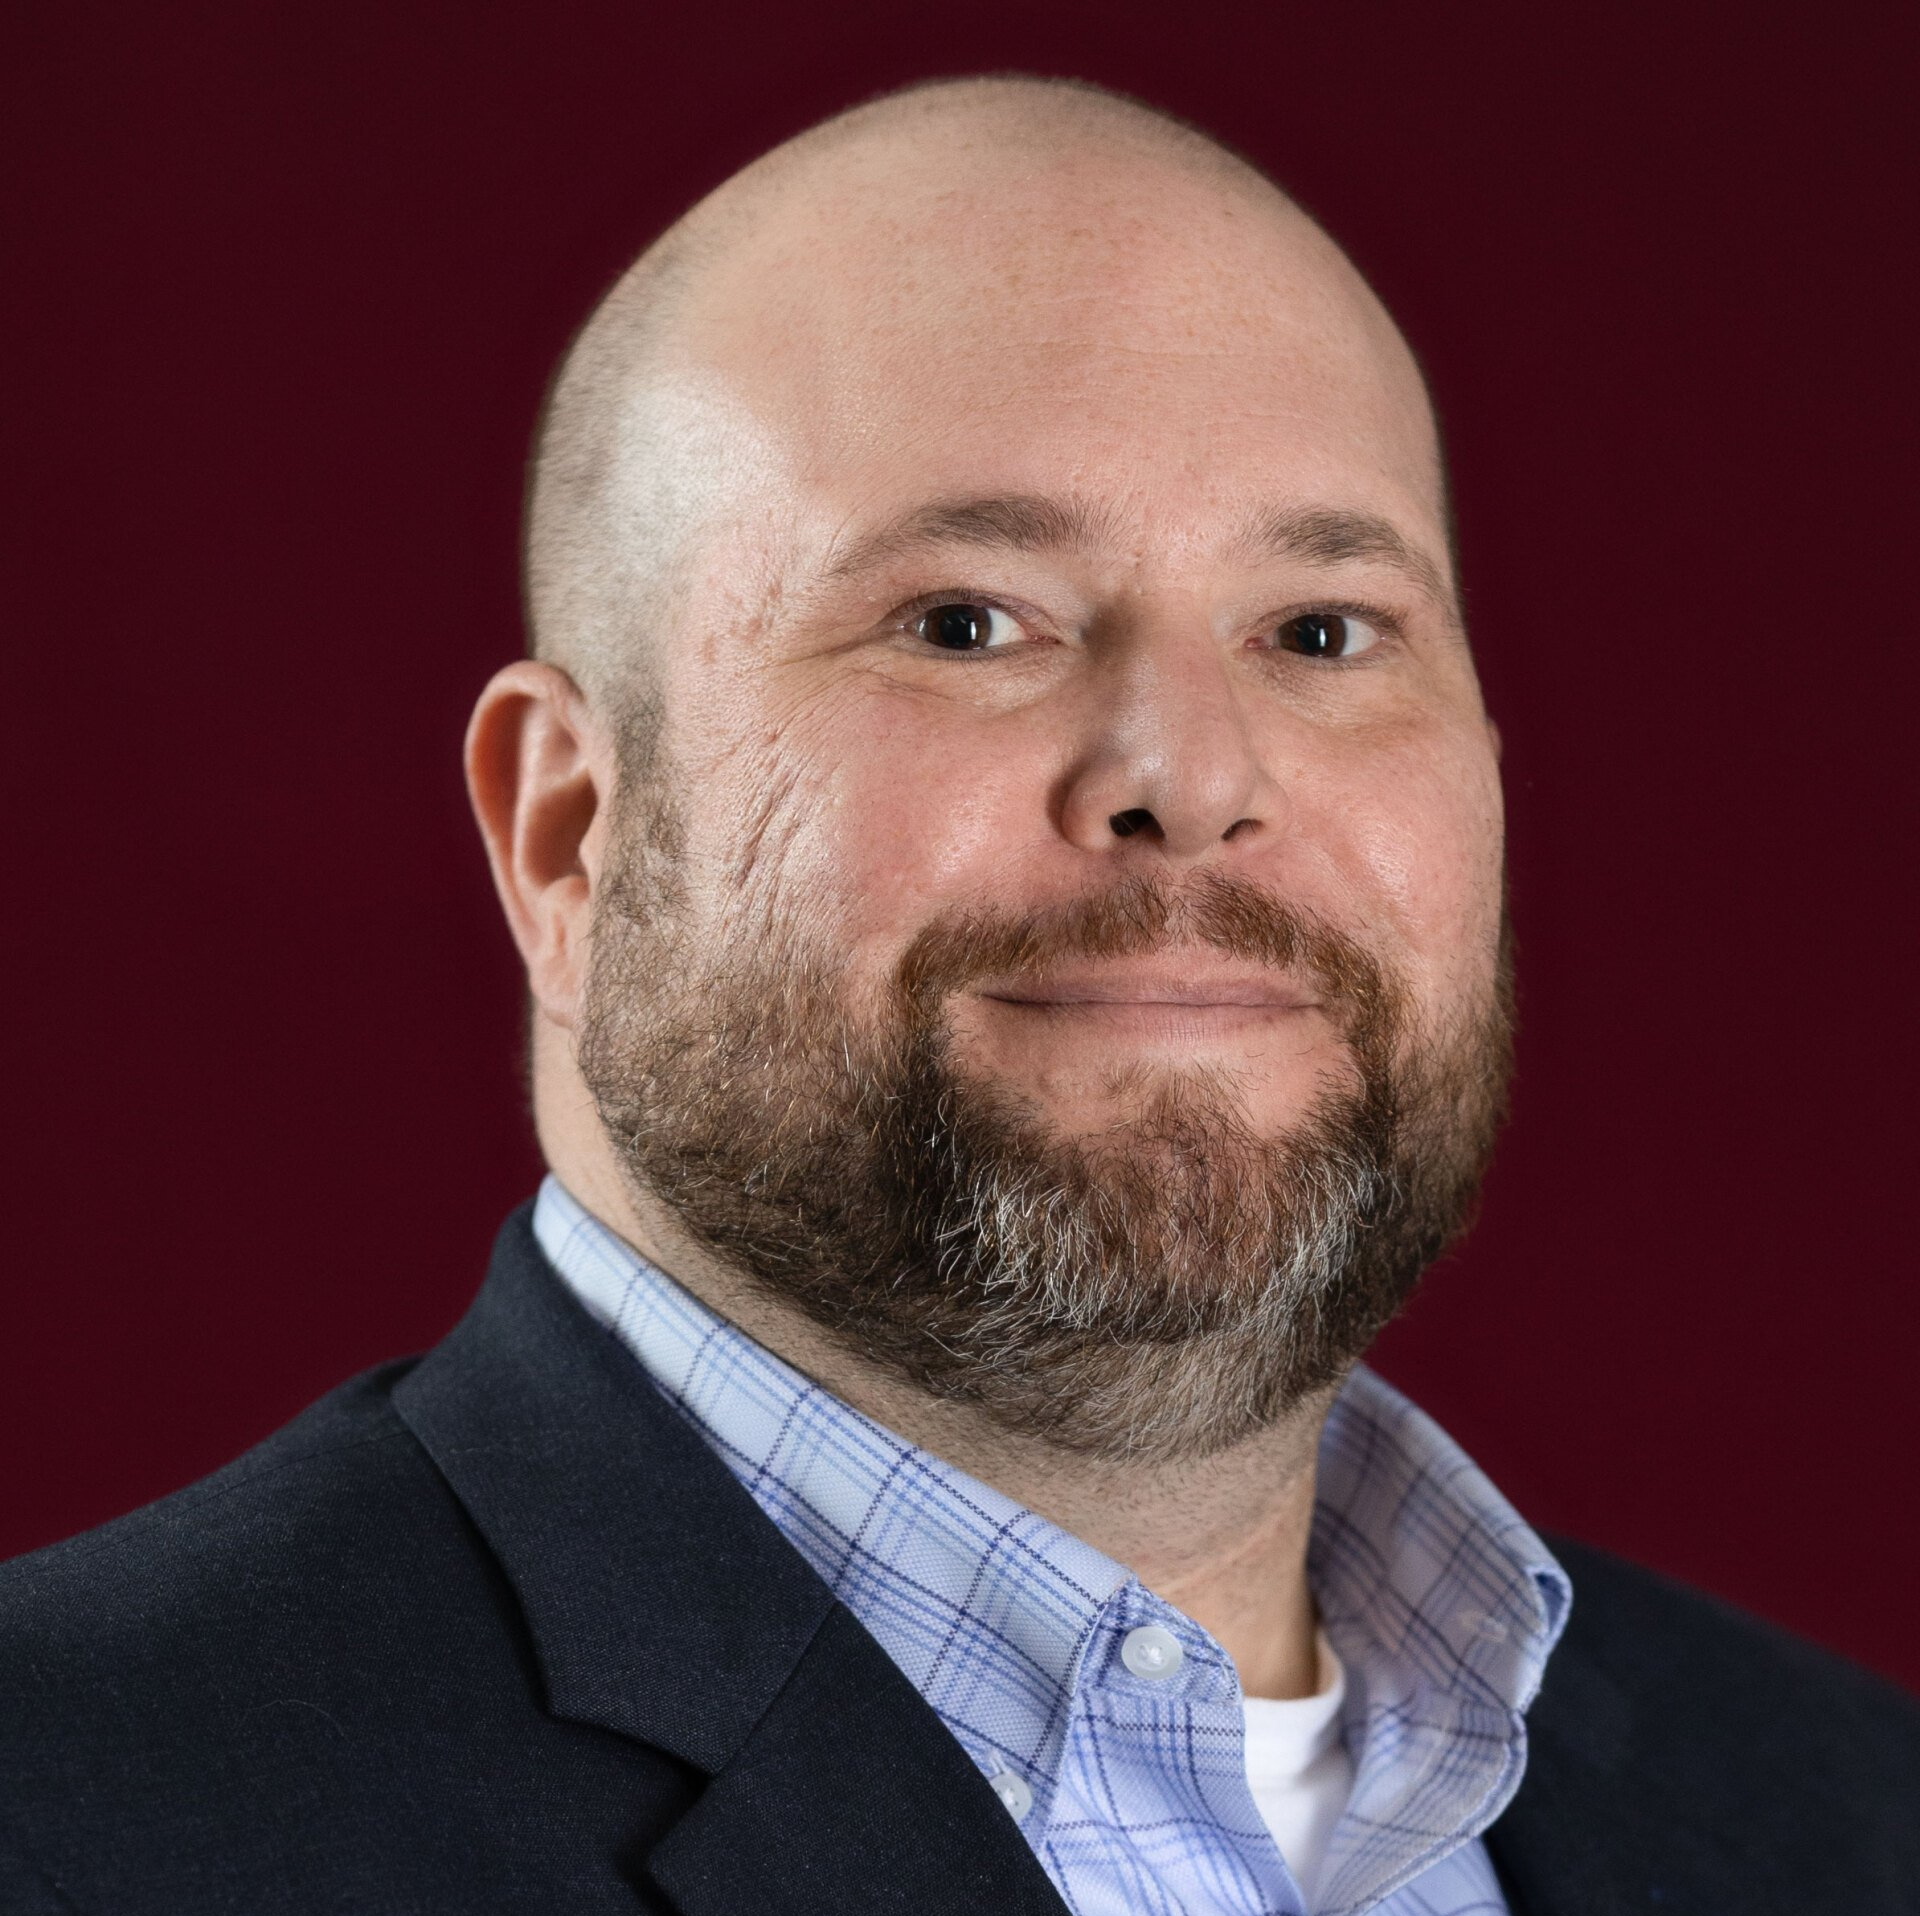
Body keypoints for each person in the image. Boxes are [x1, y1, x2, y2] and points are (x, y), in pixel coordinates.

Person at [1, 73, 1913, 1916]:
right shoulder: (73, 1815)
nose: (1191, 770)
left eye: (1323, 631)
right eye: (966, 620)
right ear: (568, 835)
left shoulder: (1850, 1815)